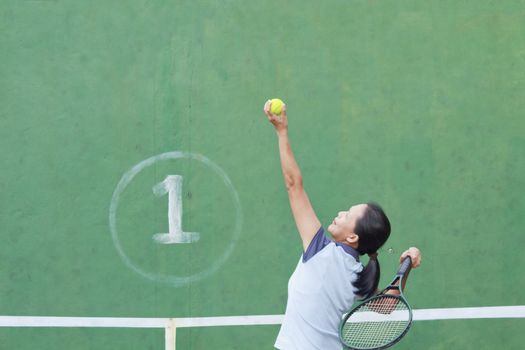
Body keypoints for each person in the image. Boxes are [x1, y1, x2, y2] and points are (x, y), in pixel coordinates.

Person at [263, 100, 422, 350]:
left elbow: (293, 184)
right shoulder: (358, 276)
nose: (340, 213)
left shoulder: (320, 250)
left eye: (347, 215)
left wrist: (281, 131)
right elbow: (389, 305)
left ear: (352, 238)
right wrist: (407, 267)